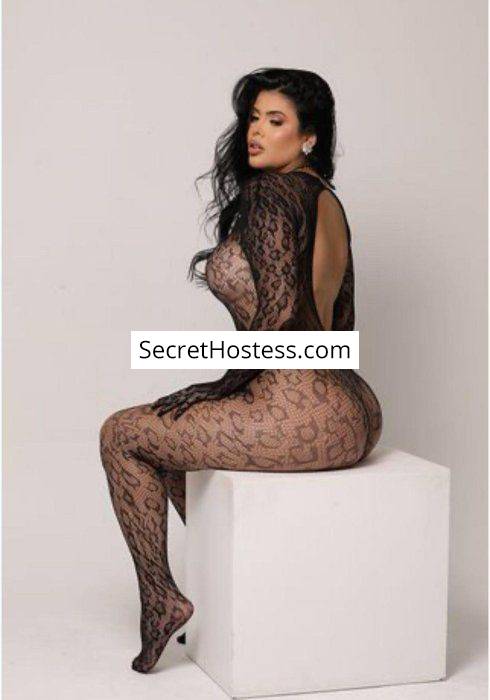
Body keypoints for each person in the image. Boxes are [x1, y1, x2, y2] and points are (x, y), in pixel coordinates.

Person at [99, 67, 383, 674]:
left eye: (275, 121)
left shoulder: (272, 195)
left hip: (299, 412)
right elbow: (340, 328)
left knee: (122, 435)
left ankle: (162, 600)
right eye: (253, 118)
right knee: (171, 436)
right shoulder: (326, 199)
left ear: (309, 136)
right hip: (354, 408)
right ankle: (234, 578)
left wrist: (220, 384)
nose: (256, 131)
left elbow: (278, 319)